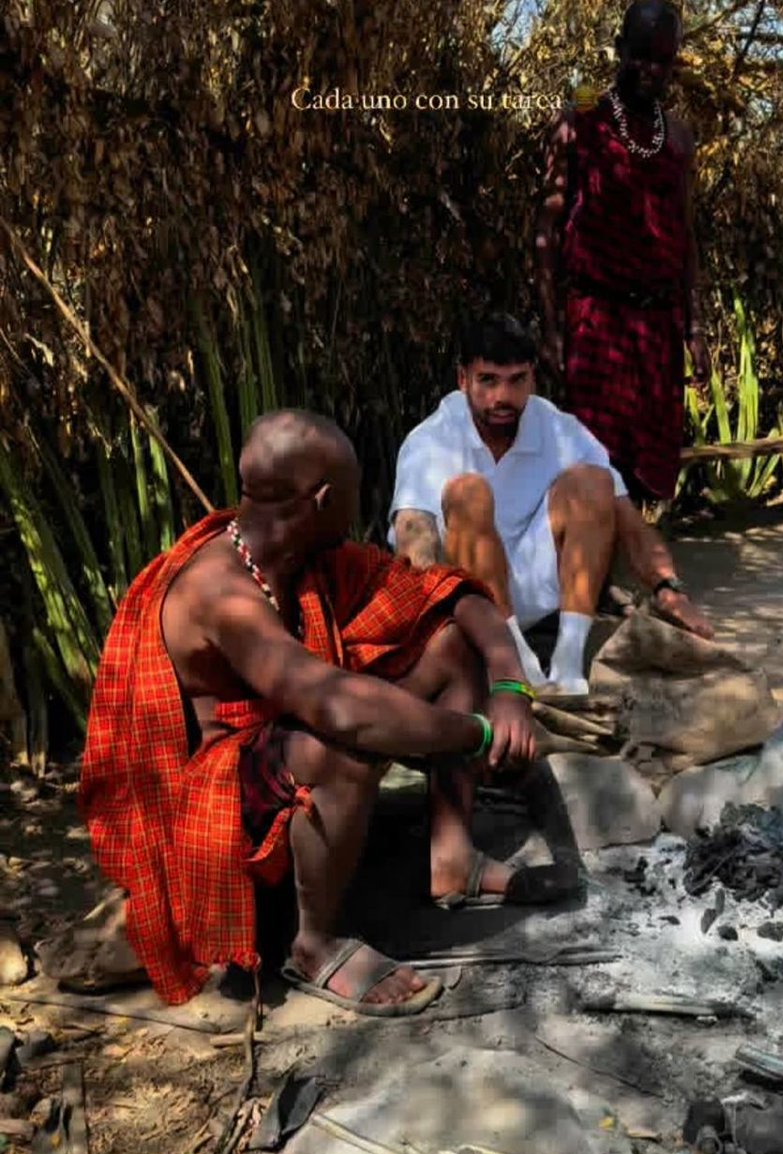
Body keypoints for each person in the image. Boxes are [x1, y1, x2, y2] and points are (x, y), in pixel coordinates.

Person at [79, 410, 559, 1017]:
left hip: (281, 743)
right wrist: (478, 734)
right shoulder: (219, 590)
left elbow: (444, 591)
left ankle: (452, 858)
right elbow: (337, 708)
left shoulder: (300, 555)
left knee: (446, 642)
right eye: (356, 491)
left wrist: (510, 686)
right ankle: (313, 945)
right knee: (338, 746)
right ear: (326, 498)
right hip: (212, 797)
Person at [389, 314, 713, 694]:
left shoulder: (559, 429)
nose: (502, 397)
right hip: (467, 600)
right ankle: (518, 662)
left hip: (534, 585)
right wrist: (423, 633)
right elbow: (414, 536)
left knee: (595, 481)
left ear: (533, 378)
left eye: (516, 380)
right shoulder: (431, 438)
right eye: (488, 380)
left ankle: (568, 665)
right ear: (463, 380)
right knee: (467, 493)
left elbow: (628, 520)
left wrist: (669, 590)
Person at [536, 0, 711, 502]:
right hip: (597, 324)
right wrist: (551, 329)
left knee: (646, 476)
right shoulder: (578, 120)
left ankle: (635, 551)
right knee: (594, 468)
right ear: (619, 49)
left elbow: (685, 236)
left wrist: (694, 328)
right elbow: (546, 230)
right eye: (642, 55)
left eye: (664, 59)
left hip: (658, 331)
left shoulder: (677, 137)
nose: (652, 69)